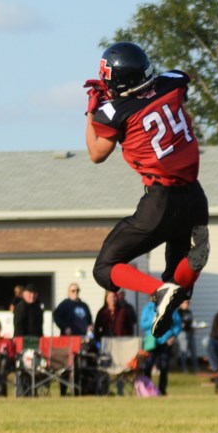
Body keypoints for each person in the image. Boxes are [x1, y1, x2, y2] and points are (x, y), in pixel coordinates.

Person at [84, 41, 210, 339]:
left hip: (159, 202)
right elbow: (182, 78)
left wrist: (91, 111)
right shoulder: (173, 83)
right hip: (195, 196)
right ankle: (184, 274)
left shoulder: (114, 111)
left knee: (105, 267)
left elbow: (96, 153)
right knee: (176, 275)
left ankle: (158, 291)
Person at [139, 300, 182, 396]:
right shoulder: (148, 308)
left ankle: (162, 391)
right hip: (152, 342)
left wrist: (173, 336)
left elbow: (178, 324)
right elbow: (143, 324)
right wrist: (154, 320)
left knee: (164, 366)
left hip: (165, 341)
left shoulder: (170, 307)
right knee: (148, 366)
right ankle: (147, 389)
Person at [14, 284, 44, 351]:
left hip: (36, 341)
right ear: (24, 294)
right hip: (23, 342)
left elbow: (40, 327)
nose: (32, 296)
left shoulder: (38, 308)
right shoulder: (20, 307)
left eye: (34, 293)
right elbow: (18, 326)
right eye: (30, 293)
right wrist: (21, 343)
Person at [176, 299, 198, 373]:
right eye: (185, 303)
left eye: (188, 302)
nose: (187, 304)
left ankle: (196, 368)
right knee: (184, 351)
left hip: (190, 332)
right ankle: (184, 368)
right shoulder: (178, 312)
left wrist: (193, 327)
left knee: (193, 350)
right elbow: (179, 324)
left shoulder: (189, 312)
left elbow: (190, 322)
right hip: (182, 333)